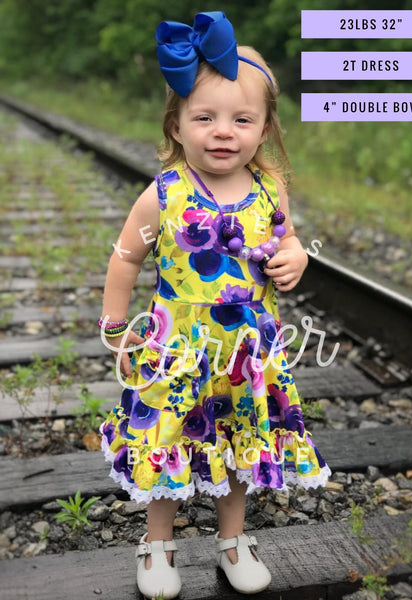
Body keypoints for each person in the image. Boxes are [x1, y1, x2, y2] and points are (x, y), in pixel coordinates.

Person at [99, 11, 331, 599]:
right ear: (176, 125)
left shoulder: (268, 188)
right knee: (169, 439)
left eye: (241, 119)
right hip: (178, 348)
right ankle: (158, 547)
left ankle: (232, 542)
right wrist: (116, 325)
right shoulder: (163, 194)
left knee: (239, 446)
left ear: (264, 128)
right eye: (205, 117)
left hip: (247, 351)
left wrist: (296, 256)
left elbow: (287, 238)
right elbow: (126, 258)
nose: (223, 131)